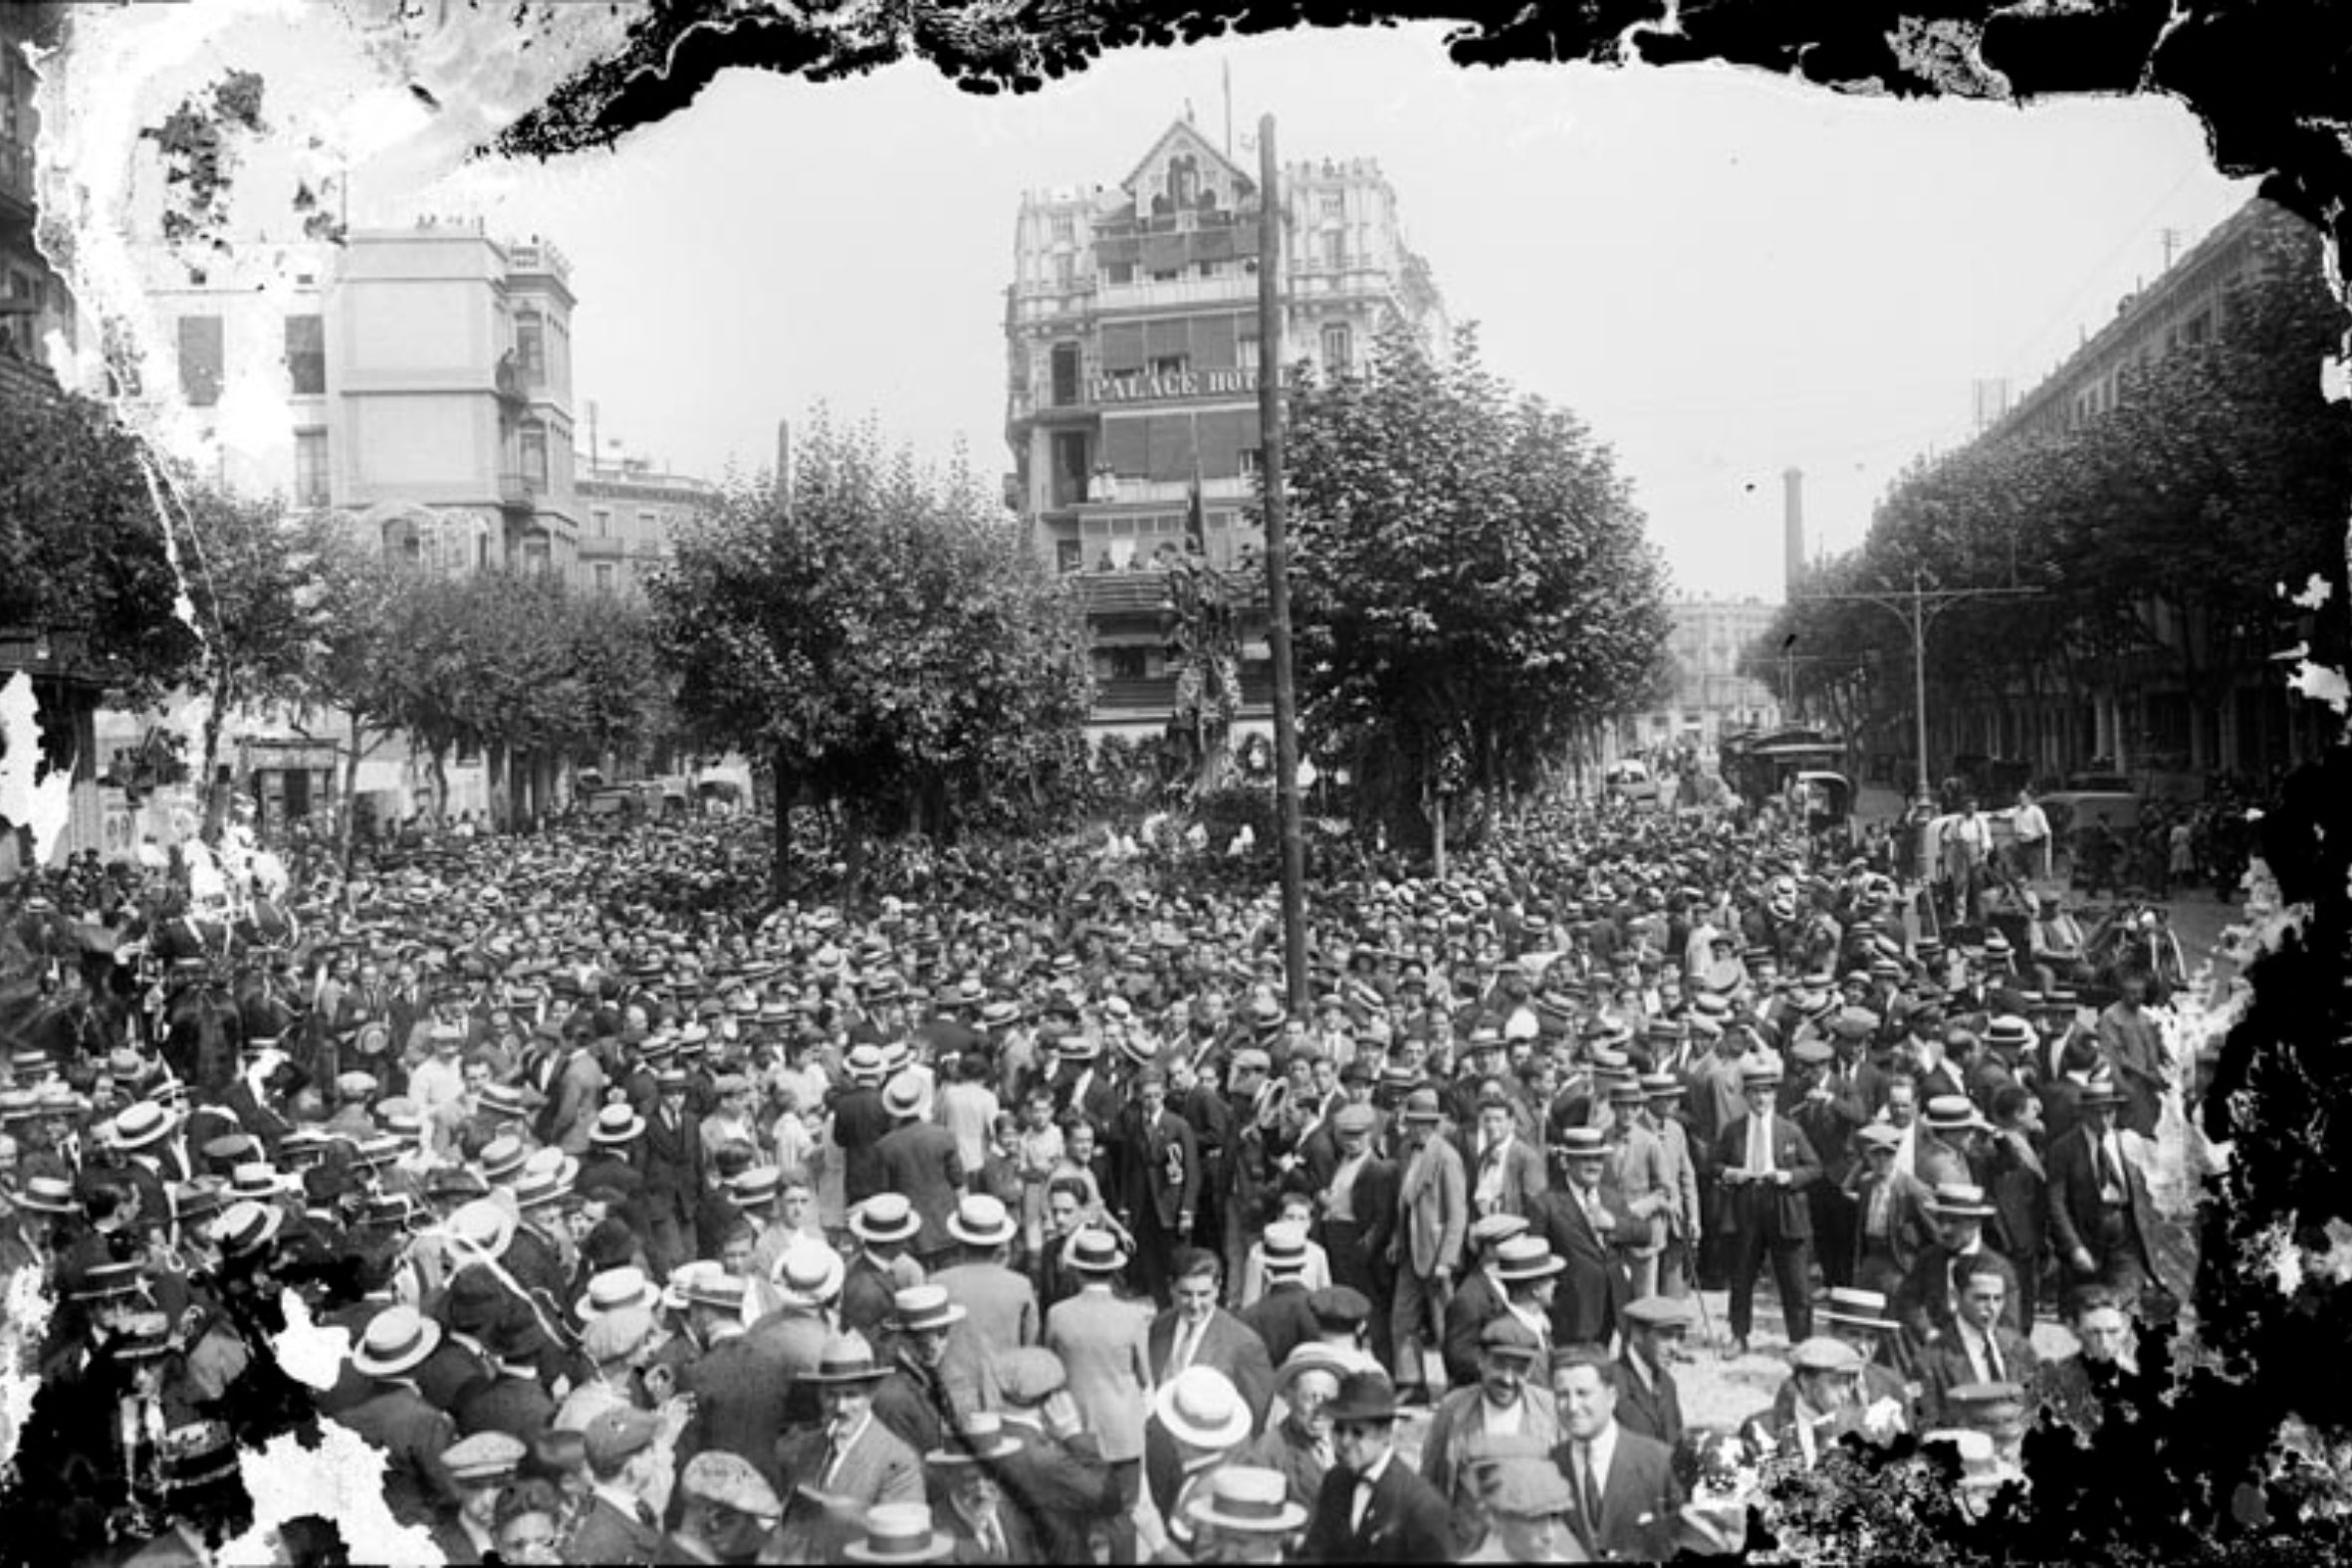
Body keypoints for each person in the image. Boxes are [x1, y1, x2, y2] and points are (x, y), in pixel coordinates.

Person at [1420, 1317, 1560, 1553]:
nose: (1508, 1379)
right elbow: (1430, 1483)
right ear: (1481, 1360)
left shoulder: (1550, 1413)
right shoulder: (1453, 1411)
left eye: (1519, 1369)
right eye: (1500, 1365)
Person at [1711, 1060, 1820, 1355]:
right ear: (1745, 1095)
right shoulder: (1733, 1130)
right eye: (1755, 1092)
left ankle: (1800, 1341)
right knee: (1742, 1275)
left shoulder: (1790, 1130)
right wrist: (1729, 1173)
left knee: (1794, 1279)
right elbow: (1714, 1164)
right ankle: (1739, 1335)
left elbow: (1814, 1168)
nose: (1760, 1098)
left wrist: (1790, 1176)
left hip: (1783, 1205)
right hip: (1746, 1203)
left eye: (1766, 1092)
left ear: (1775, 1095)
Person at [1299, 1370, 1454, 1563]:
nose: (1345, 1441)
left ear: (1386, 1433)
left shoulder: (1422, 1506)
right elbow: (1314, 1552)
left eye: (1357, 1432)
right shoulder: (1335, 1481)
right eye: (1339, 1429)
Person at [1549, 1347, 1682, 1561]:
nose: (1572, 1407)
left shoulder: (1659, 1463)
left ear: (1611, 1397)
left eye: (1583, 1393)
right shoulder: (1548, 1468)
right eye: (1562, 1395)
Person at [2043, 1074, 2162, 1310]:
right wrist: (2074, 1246)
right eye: (2096, 1113)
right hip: (2087, 1235)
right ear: (2083, 1113)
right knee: (2087, 1306)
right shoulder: (2064, 1148)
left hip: (2125, 1234)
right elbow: (2056, 1203)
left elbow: (2149, 1190)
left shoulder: (2128, 1142)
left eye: (2109, 1112)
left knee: (2122, 1300)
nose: (2104, 1119)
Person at [1388, 1088, 1467, 1404]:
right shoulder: (1404, 1151)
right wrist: (1396, 1238)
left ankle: (1456, 1384)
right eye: (1414, 1121)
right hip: (1411, 1249)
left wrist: (1447, 1259)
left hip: (1436, 1254)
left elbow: (1457, 1214)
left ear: (1435, 1124)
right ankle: (1411, 1382)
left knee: (1445, 1323)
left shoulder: (1447, 1157)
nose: (1419, 1128)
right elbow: (1404, 1203)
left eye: (1425, 1122)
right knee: (1402, 1319)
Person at [562, 1405, 668, 1566]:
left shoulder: (633, 1507)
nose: (655, 1458)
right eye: (651, 1449)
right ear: (633, 1465)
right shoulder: (599, 1541)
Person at [1612, 1295, 1694, 1450]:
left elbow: (1675, 1442)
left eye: (1679, 1337)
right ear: (1637, 1334)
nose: (1674, 1348)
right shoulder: (1612, 1382)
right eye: (1666, 1336)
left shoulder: (1667, 1384)